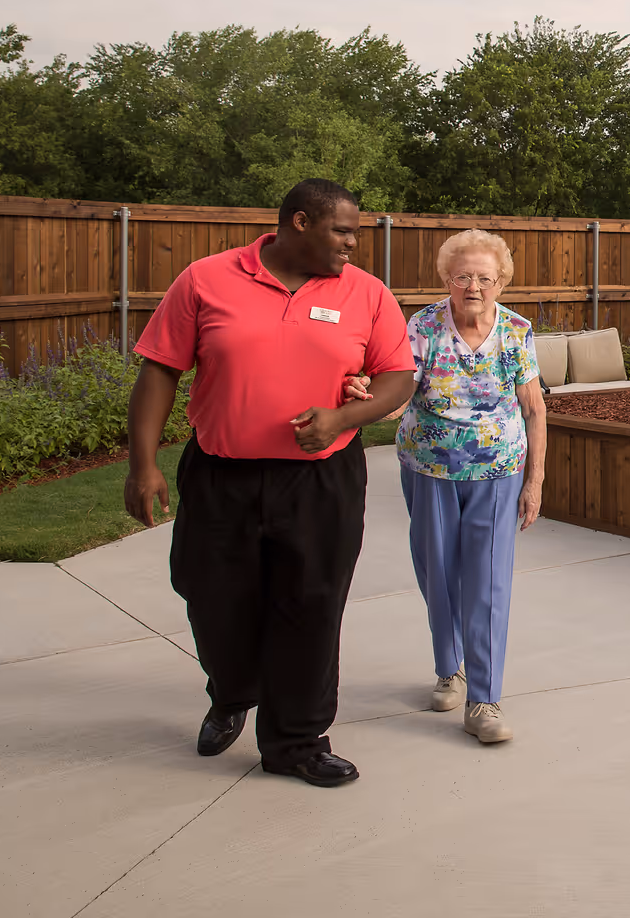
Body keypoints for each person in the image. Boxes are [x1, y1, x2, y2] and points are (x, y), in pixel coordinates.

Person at [124, 179, 415, 788]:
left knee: (311, 606)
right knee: (210, 595)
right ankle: (232, 693)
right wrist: (142, 464)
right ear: (300, 223)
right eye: (343, 231)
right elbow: (160, 370)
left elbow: (397, 378)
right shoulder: (206, 279)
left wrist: (342, 417)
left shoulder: (367, 293)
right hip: (220, 474)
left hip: (321, 481)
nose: (352, 245)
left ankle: (296, 740)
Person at [347, 228, 545, 744]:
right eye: (463, 276)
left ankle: (485, 699)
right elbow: (399, 394)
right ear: (446, 279)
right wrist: (363, 401)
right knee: (437, 571)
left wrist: (535, 481)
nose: (474, 286)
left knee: (488, 579)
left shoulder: (517, 330)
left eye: (485, 277)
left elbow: (533, 408)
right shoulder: (423, 326)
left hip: (498, 470)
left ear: (501, 281)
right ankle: (448, 667)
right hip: (428, 467)